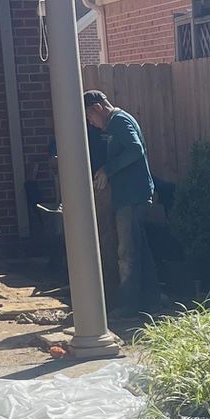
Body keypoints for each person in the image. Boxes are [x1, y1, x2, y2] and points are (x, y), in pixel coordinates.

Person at [83, 89, 159, 316]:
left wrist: (108, 169)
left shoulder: (119, 121)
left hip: (133, 197)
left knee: (127, 252)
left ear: (98, 108)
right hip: (130, 196)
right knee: (139, 249)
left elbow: (136, 149)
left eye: (90, 117)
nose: (92, 123)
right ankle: (151, 301)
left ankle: (128, 306)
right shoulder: (116, 123)